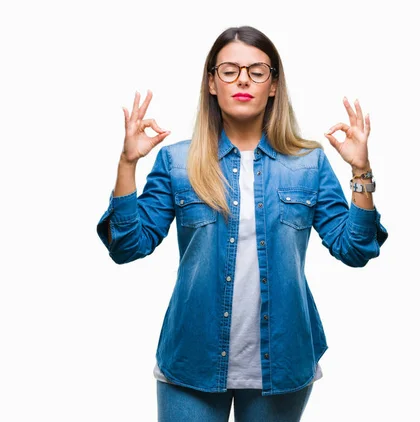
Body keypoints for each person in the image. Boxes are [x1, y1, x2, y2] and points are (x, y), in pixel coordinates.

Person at [96, 25, 388, 422]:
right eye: (229, 71)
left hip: (282, 361)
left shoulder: (309, 163)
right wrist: (127, 164)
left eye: (257, 71)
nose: (243, 81)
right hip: (191, 360)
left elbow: (354, 249)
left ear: (273, 85)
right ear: (212, 83)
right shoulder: (177, 163)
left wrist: (361, 171)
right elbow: (128, 246)